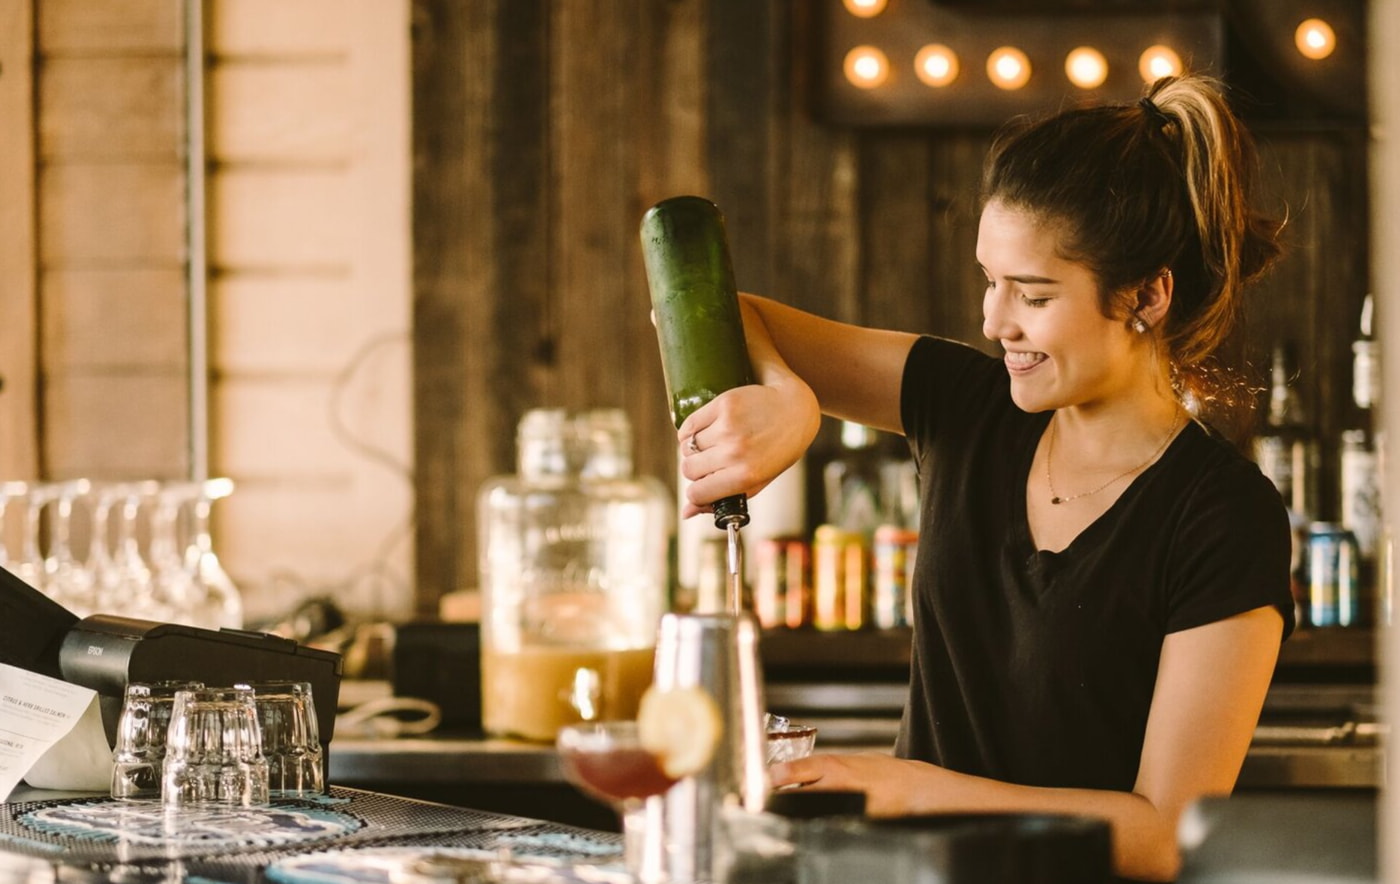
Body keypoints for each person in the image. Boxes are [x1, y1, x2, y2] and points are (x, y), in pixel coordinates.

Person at [674, 74, 1293, 883]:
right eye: (989, 280)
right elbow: (696, 303)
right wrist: (792, 399)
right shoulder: (966, 405)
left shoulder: (1222, 515)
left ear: (1146, 295)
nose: (994, 321)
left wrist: (911, 790)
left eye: (1032, 295)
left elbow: (1168, 834)